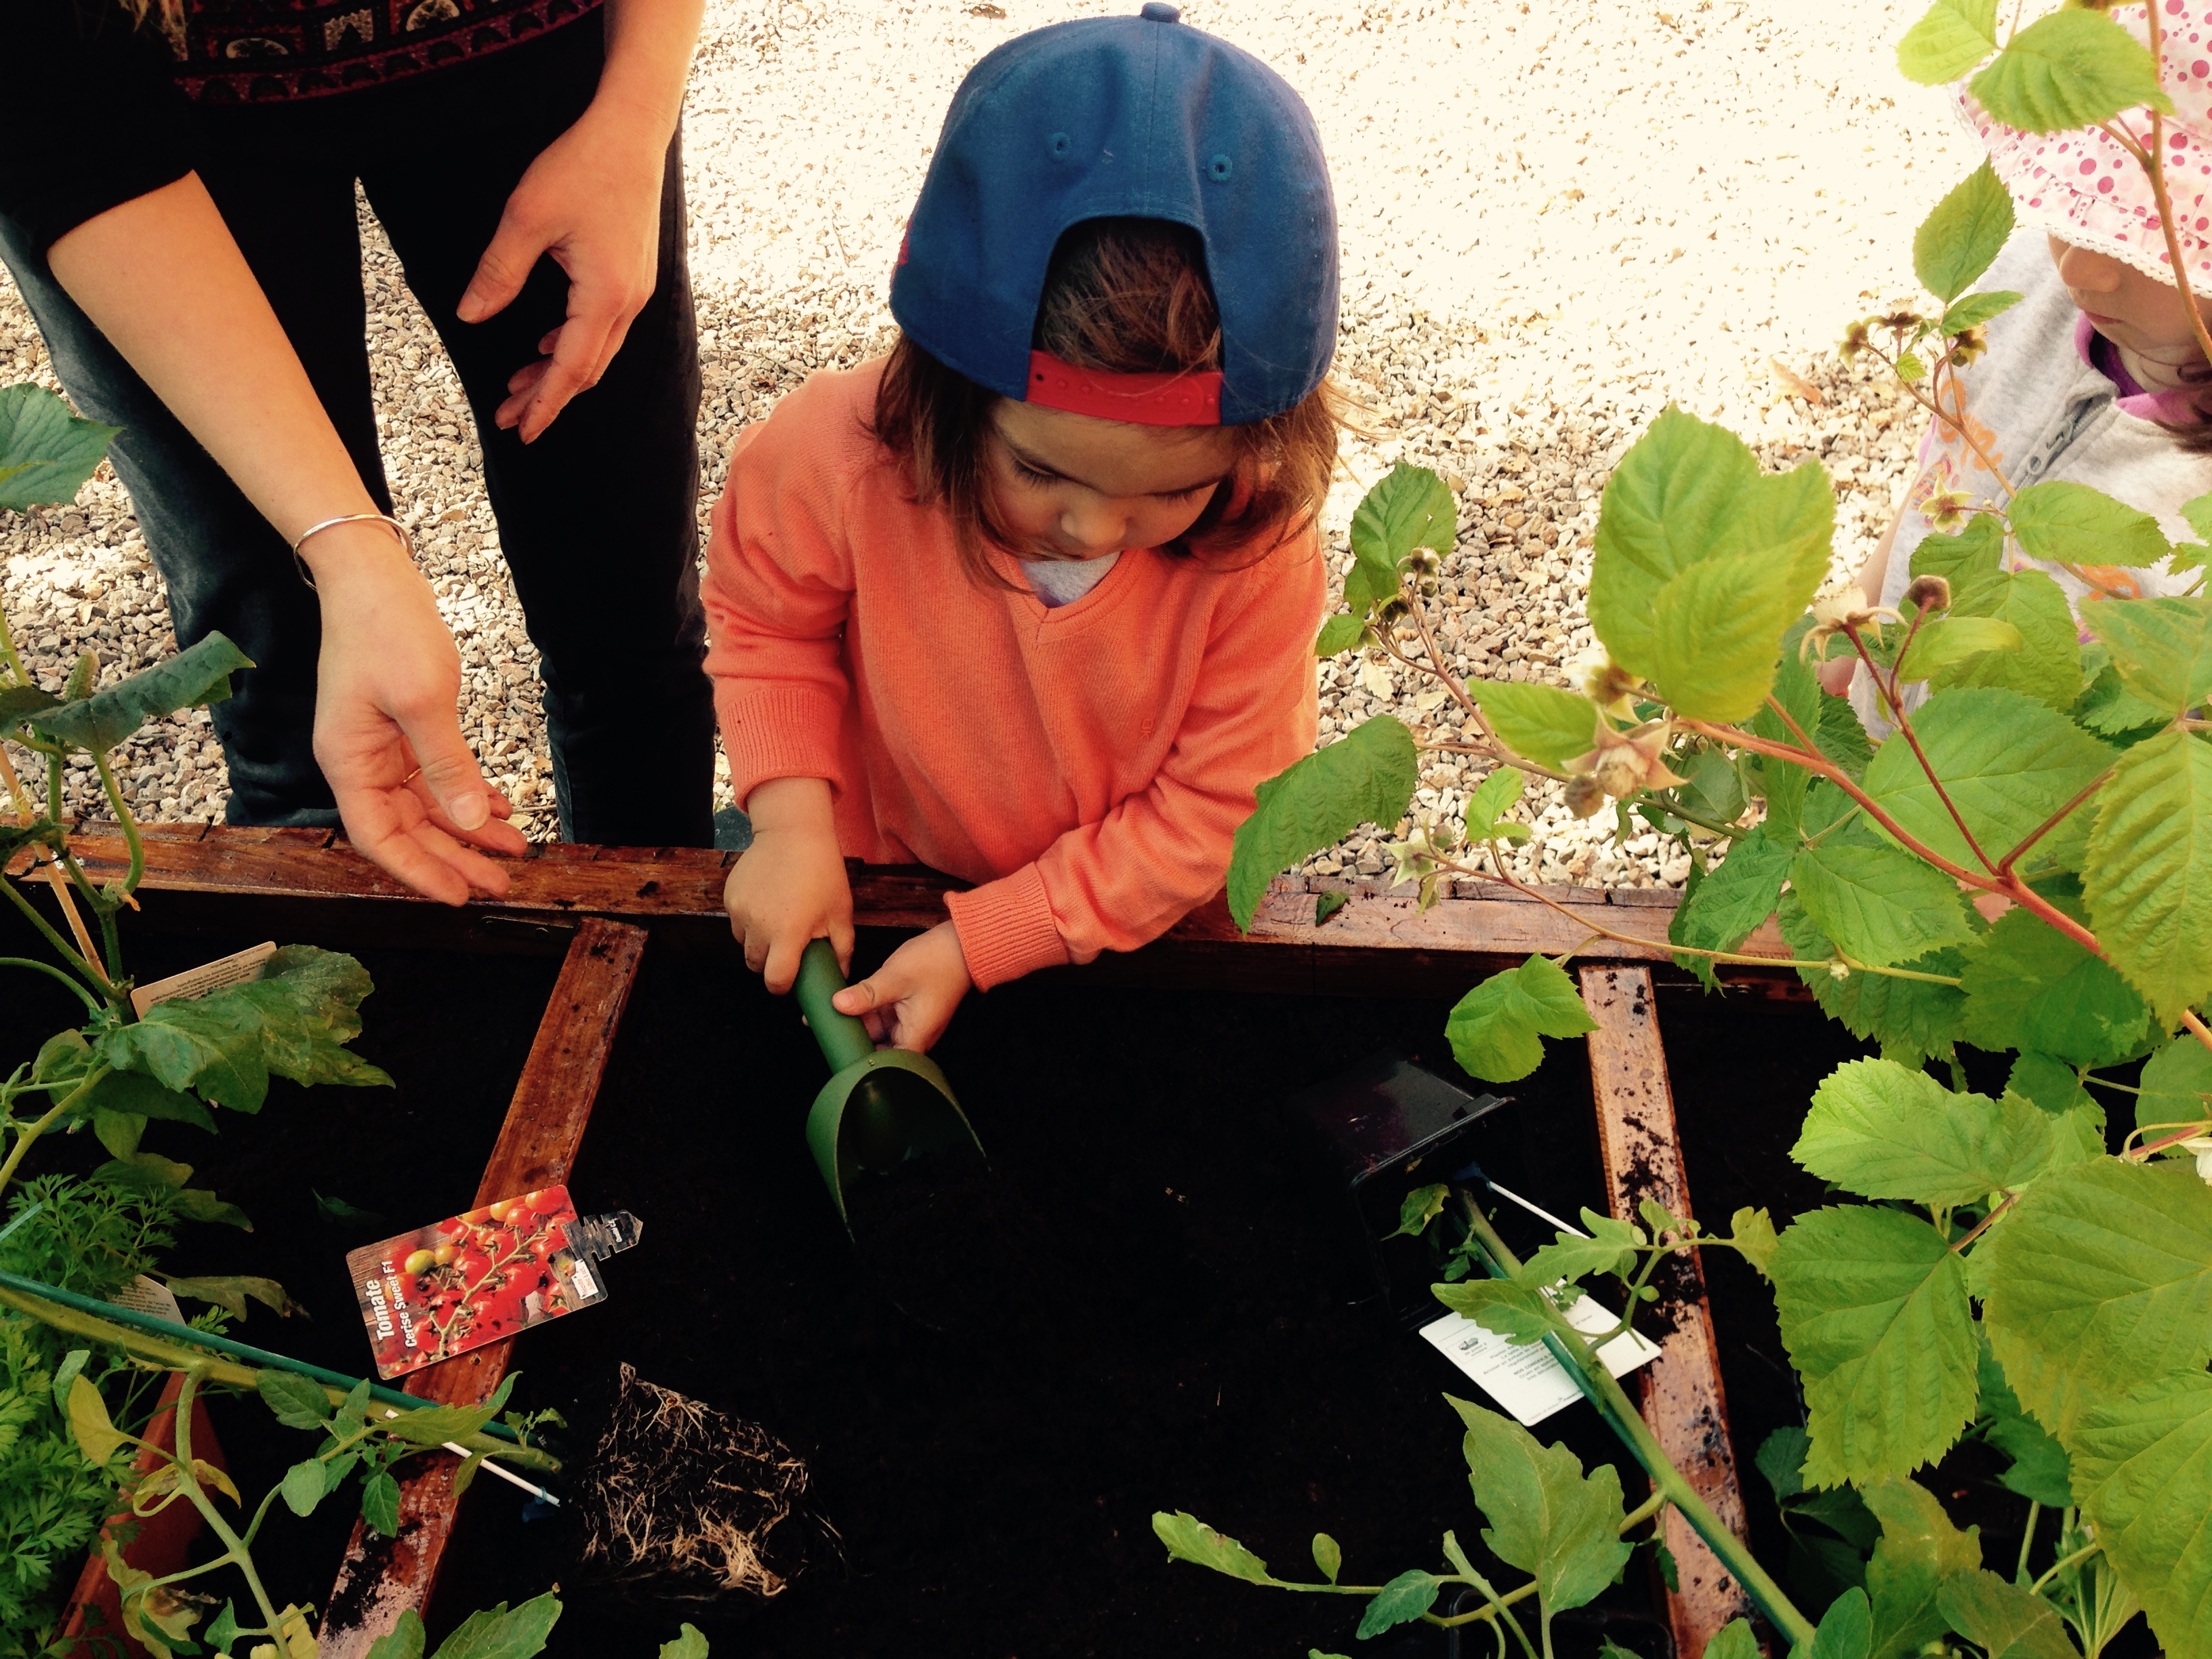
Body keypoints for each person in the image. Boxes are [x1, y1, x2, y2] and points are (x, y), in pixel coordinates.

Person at [707, 3, 1345, 1053]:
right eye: (1039, 470)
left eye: (1170, 493)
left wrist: (990, 938)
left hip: (1134, 919)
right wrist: (787, 824)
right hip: (881, 868)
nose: (1092, 525)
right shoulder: (832, 455)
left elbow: (1218, 802)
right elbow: (769, 628)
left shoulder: (1258, 537)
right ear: (949, 393)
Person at [0, 0, 716, 904]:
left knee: (629, 625)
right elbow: (58, 122)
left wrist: (635, 117)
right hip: (142, 97)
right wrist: (345, 548)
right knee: (293, 699)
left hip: (542, 51)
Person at [1825, 0, 2209, 709]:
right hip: (1882, 749)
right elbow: (1941, 469)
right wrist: (1854, 619)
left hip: (2004, 810)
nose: (2084, 271)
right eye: (2079, 205)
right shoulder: (2019, 284)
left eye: (2160, 245)